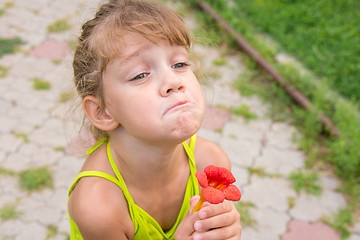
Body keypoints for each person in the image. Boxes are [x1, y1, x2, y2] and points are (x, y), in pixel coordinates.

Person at [67, 0, 241, 239]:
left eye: (179, 64)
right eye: (140, 75)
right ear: (103, 112)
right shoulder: (99, 207)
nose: (173, 81)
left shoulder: (211, 166)